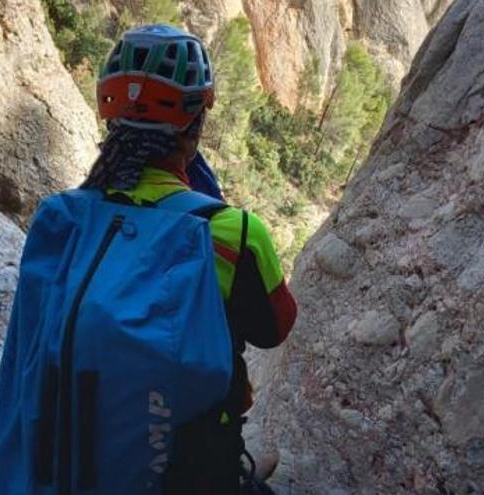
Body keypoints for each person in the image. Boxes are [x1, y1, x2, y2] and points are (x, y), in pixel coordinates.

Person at [85, 25, 297, 494]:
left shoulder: (67, 217)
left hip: (83, 442)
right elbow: (274, 328)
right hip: (195, 459)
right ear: (196, 122)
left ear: (109, 116)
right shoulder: (233, 231)